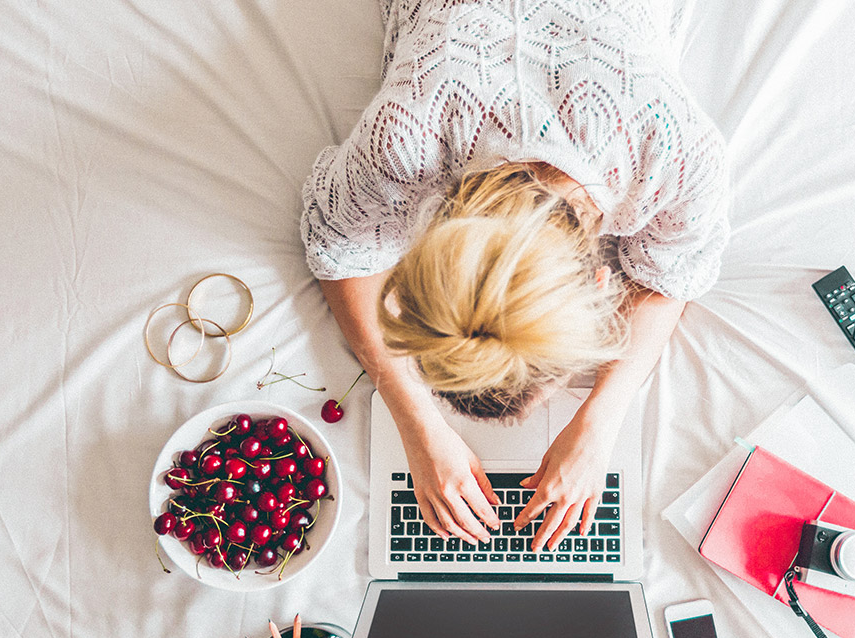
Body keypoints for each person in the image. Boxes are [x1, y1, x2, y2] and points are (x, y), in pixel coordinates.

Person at [301, 0, 728, 554]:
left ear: (602, 286)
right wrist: (417, 423)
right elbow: (337, 249)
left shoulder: (679, 155)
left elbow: (672, 279)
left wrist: (600, 422)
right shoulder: (404, 138)